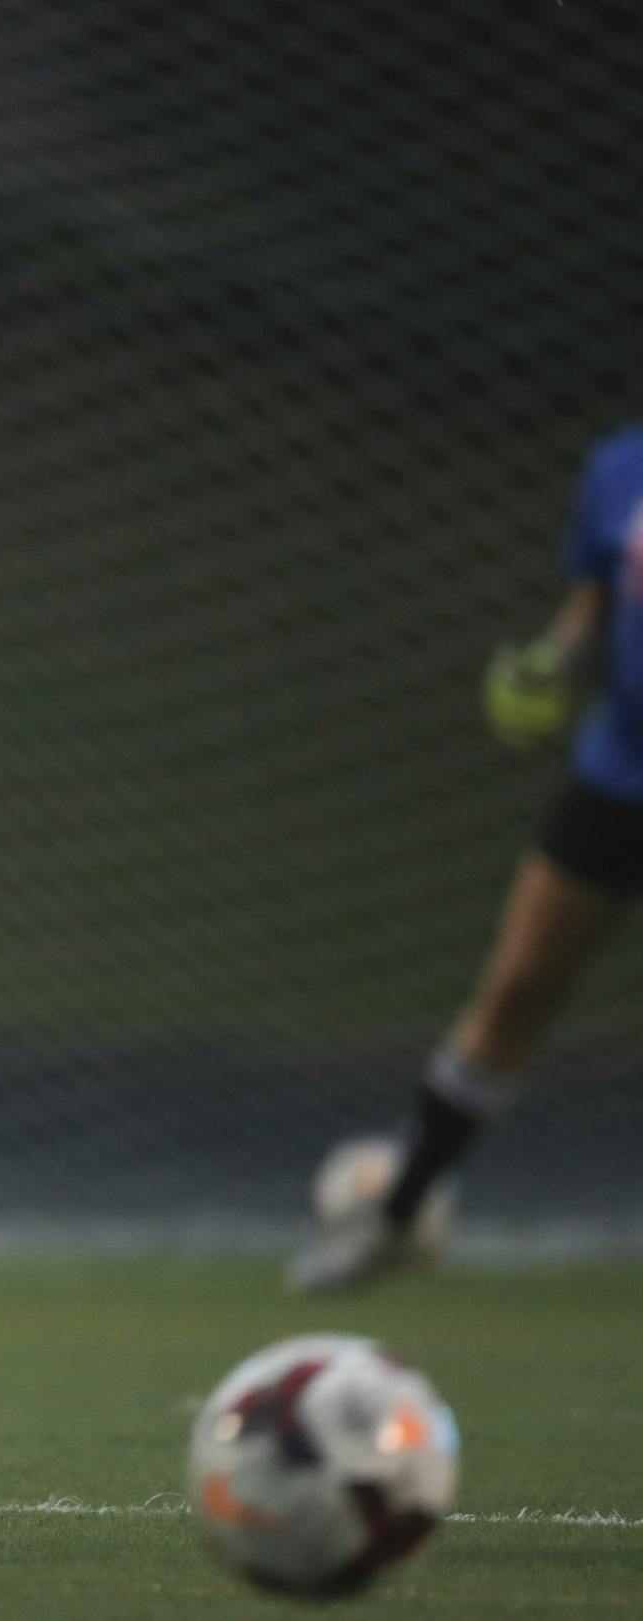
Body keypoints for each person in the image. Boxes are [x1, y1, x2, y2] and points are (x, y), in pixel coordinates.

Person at [291, 425, 643, 1291]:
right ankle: (399, 1215)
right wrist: (546, 669)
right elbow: (591, 610)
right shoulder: (620, 466)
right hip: (619, 775)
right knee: (518, 987)